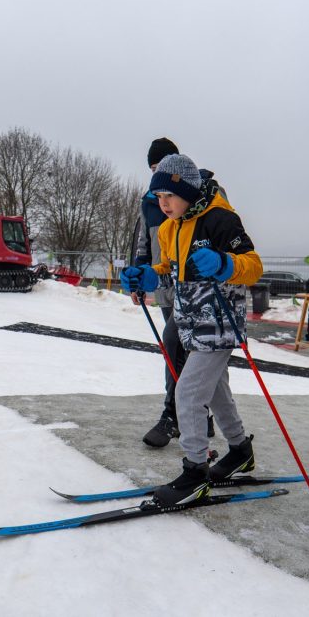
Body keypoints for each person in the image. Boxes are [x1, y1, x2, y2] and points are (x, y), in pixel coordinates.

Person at [120, 154, 263, 506]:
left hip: (219, 320)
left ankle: (195, 471)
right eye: (158, 198)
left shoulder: (220, 219)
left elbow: (254, 266)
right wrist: (149, 276)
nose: (163, 204)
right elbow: (170, 269)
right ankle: (240, 450)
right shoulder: (171, 228)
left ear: (186, 190)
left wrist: (226, 263)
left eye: (169, 195)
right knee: (214, 391)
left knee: (187, 392)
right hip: (190, 322)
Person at [133, 137, 187, 447]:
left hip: (193, 291)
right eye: (154, 169)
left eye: (164, 167)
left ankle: (174, 415)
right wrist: (140, 277)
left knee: (179, 348)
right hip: (165, 288)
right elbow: (144, 243)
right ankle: (192, 416)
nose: (158, 175)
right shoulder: (150, 201)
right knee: (177, 352)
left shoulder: (195, 196)